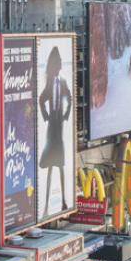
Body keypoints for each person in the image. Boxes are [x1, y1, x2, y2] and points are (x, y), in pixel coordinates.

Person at [38, 47, 73, 213]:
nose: (59, 65)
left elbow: (70, 98)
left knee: (60, 165)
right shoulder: (50, 84)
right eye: (57, 62)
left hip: (59, 126)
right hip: (52, 126)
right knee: (52, 166)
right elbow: (41, 100)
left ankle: (64, 200)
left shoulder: (63, 82)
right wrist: (46, 115)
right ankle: (45, 205)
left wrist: (66, 114)